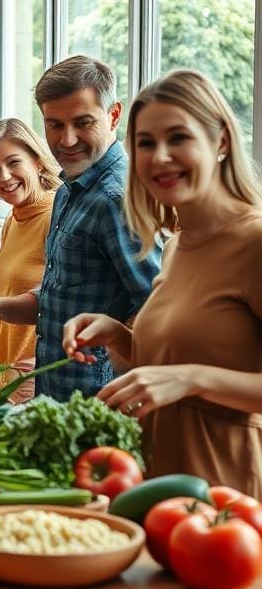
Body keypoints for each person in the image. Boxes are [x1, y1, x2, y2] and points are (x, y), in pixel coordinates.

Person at [62, 69, 262, 496]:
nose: (161, 157)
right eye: (146, 143)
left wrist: (193, 378)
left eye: (179, 138)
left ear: (221, 141)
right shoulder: (177, 246)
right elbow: (166, 371)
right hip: (154, 492)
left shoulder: (254, 241)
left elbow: (184, 378)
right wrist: (117, 335)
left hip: (227, 501)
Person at [0, 56, 161, 399]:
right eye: (54, 124)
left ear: (114, 115)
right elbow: (57, 298)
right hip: (55, 400)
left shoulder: (116, 199)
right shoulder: (70, 192)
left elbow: (156, 308)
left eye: (83, 122)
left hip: (98, 404)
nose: (68, 139)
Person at [0, 118, 61, 400]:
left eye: (14, 163)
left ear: (37, 161)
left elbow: (72, 303)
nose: (4, 176)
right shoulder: (14, 219)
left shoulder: (57, 216)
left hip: (39, 378)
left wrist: (45, 368)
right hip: (11, 377)